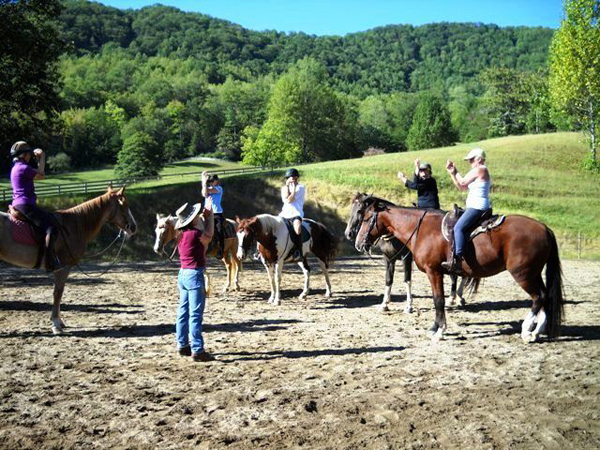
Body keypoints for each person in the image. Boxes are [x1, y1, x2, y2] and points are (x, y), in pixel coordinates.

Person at [9, 141, 60, 272]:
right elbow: (41, 176)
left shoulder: (15, 168)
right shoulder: (23, 168)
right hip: (26, 205)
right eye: (29, 154)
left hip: (18, 204)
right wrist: (42, 157)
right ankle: (49, 262)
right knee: (51, 228)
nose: (30, 157)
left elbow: (37, 176)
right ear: (24, 155)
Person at [174, 199, 215, 362]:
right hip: (194, 275)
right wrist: (210, 216)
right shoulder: (196, 234)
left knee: (183, 312)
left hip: (183, 273)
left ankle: (182, 344)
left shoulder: (181, 235)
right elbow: (209, 236)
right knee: (195, 314)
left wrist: (205, 218)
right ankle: (197, 349)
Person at [443, 148, 492, 274]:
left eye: (471, 159)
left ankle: (458, 259)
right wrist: (452, 173)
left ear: (479, 159)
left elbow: (463, 181)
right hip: (475, 206)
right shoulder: (478, 171)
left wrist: (456, 171)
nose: (470, 162)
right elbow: (462, 187)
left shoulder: (481, 169)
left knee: (458, 228)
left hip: (477, 206)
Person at [280, 168, 305, 259]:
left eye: (293, 177)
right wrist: (287, 187)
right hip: (284, 213)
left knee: (297, 229)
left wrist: (293, 190)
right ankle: (259, 252)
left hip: (296, 213)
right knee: (272, 226)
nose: (291, 179)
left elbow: (290, 200)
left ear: (297, 178)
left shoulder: (301, 187)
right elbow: (286, 199)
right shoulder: (284, 188)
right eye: (289, 178)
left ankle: (298, 250)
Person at [201, 171, 225, 259]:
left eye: (212, 181)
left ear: (216, 181)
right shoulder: (207, 188)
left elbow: (206, 190)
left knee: (219, 231)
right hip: (206, 213)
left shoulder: (219, 188)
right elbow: (204, 193)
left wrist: (203, 182)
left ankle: (220, 249)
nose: (210, 183)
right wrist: (203, 182)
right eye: (209, 181)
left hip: (216, 213)